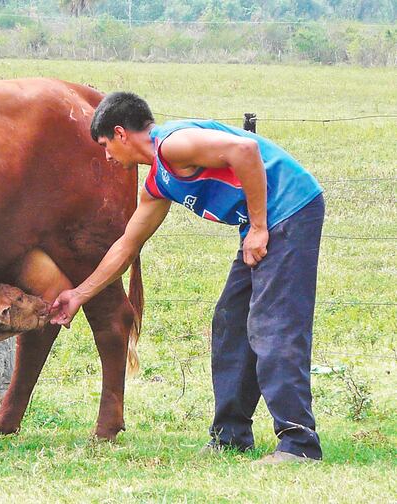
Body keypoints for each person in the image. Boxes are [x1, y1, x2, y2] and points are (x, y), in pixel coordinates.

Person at [50, 92, 324, 465]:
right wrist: (79, 295)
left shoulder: (174, 144)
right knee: (229, 324)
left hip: (290, 209)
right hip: (261, 225)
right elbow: (125, 247)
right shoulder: (160, 183)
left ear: (121, 133)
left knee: (273, 325)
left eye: (106, 146)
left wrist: (259, 227)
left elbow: (244, 150)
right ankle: (230, 437)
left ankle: (299, 445)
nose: (108, 156)